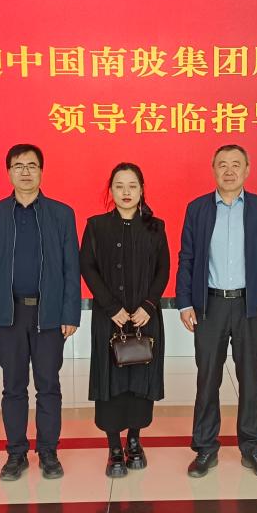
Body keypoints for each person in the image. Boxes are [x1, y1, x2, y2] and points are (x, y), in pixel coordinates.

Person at [176, 144, 257, 479]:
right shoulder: (198, 209)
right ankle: (205, 448)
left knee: (251, 378)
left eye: (236, 164)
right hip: (210, 305)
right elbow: (186, 257)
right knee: (208, 378)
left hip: (250, 305)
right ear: (213, 169)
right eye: (222, 164)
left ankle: (252, 448)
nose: (229, 171)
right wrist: (184, 302)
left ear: (247, 169)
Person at [0, 144, 80, 481]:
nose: (25, 172)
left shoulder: (61, 214)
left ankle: (48, 452)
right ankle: (16, 453)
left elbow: (71, 267)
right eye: (18, 166)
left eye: (32, 165)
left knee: (49, 385)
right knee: (13, 386)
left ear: (41, 171)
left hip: (48, 314)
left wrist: (70, 314)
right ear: (9, 172)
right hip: (8, 315)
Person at [80, 163, 169, 477]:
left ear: (142, 189)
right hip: (110, 319)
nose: (126, 192)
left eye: (132, 185)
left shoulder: (155, 227)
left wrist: (149, 305)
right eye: (119, 186)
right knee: (111, 381)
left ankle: (134, 440)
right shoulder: (96, 226)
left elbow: (163, 269)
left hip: (145, 317)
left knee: (140, 380)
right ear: (111, 190)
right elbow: (87, 267)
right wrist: (111, 307)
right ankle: (114, 448)